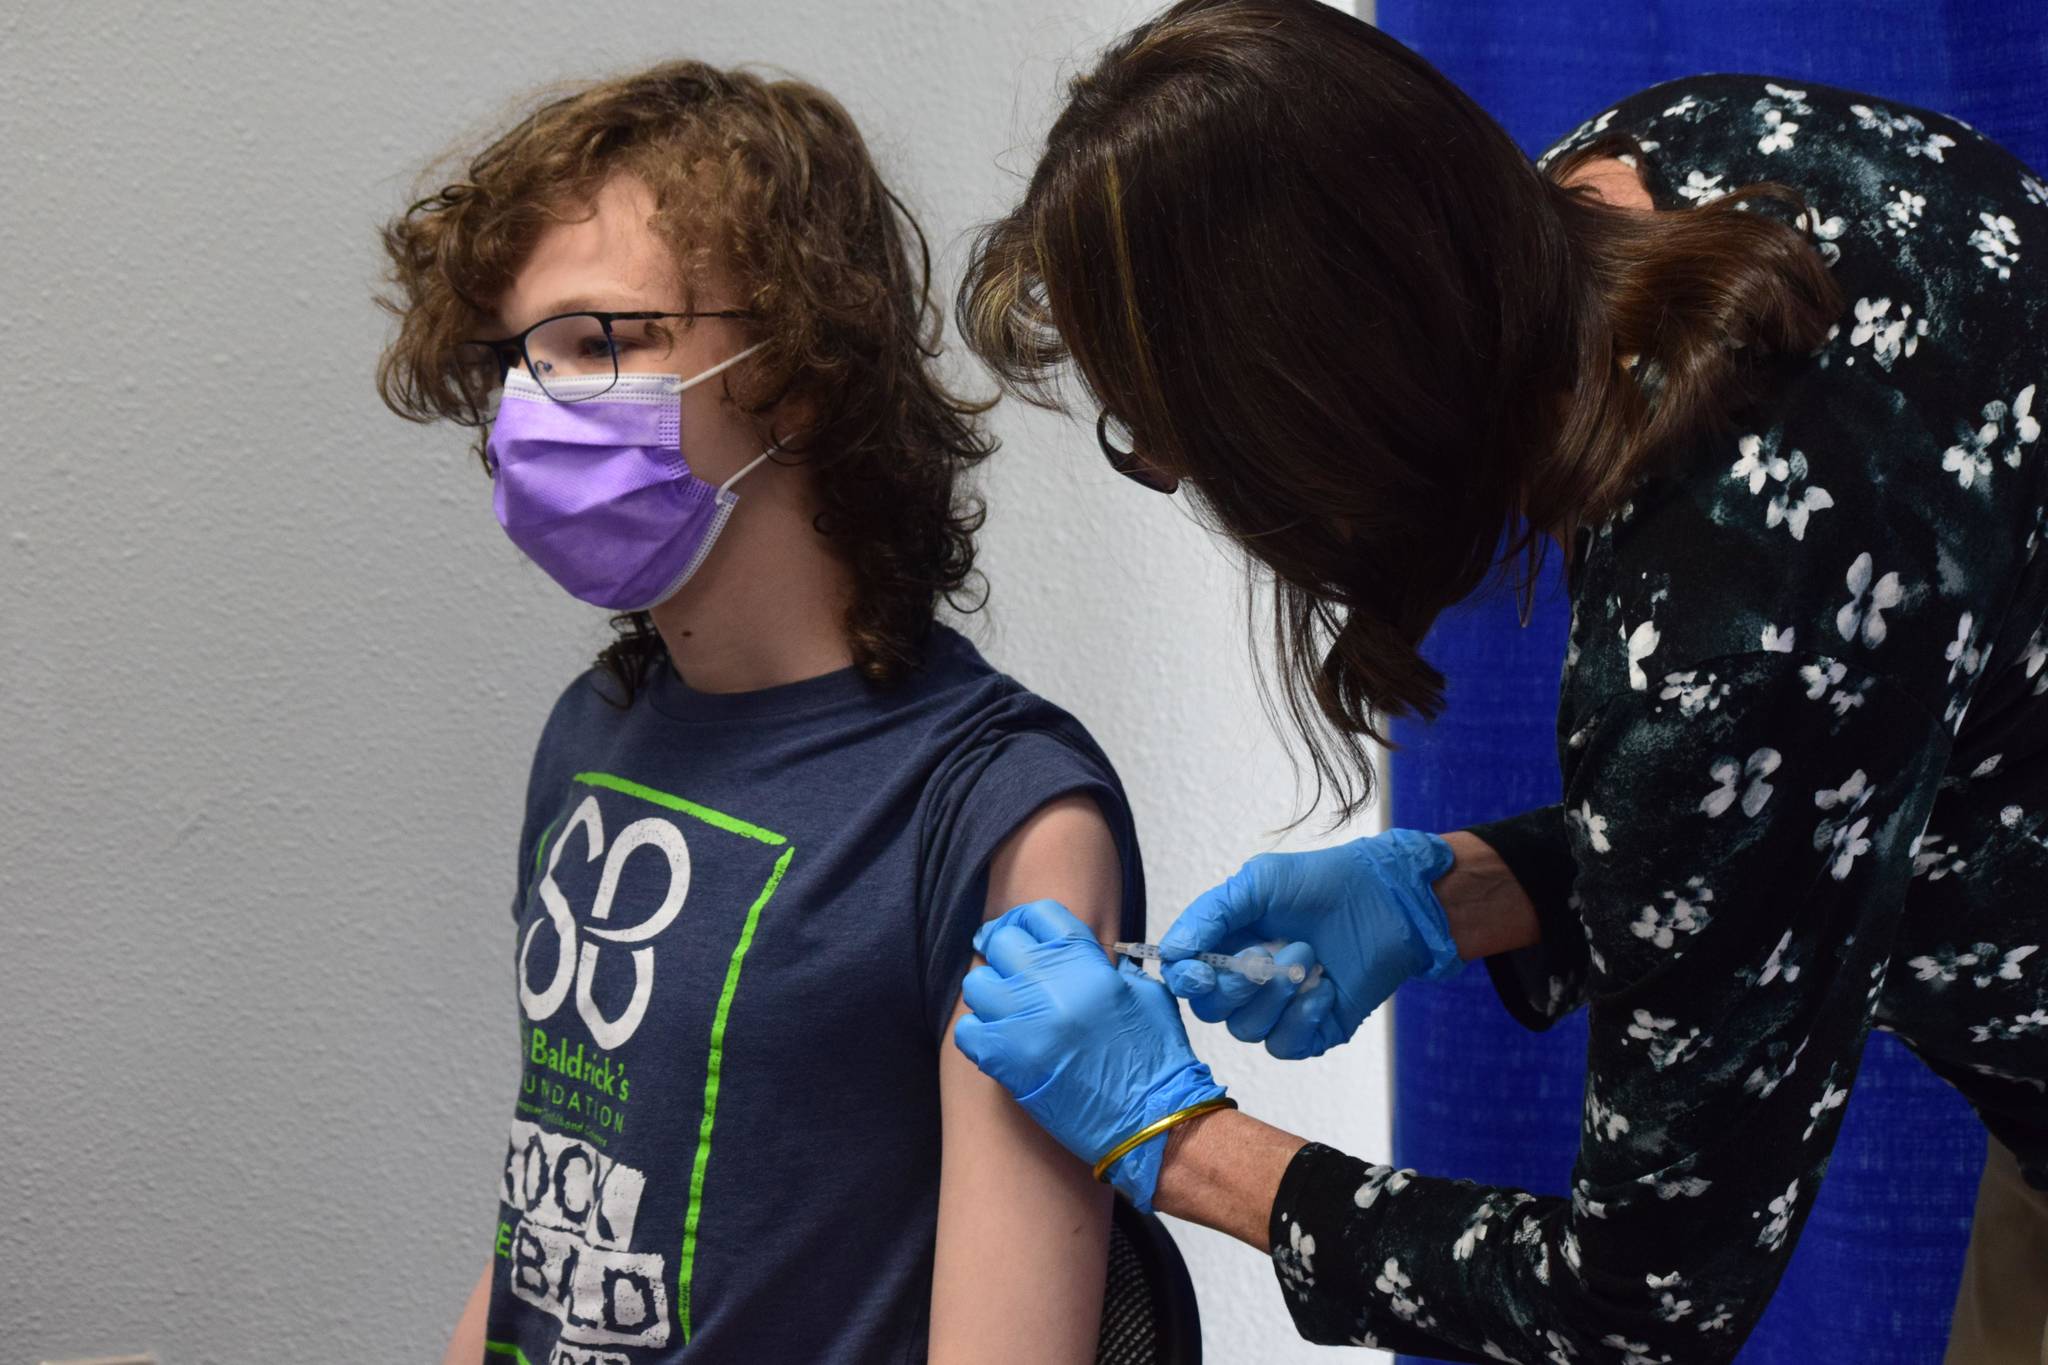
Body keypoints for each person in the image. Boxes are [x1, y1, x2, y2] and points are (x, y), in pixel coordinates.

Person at [948, 1, 2048, 1360]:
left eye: (1168, 444)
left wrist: (1177, 1141)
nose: (1189, 487)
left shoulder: (1720, 622)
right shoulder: (1659, 164)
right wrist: (1462, 891)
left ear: (1308, 417)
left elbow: (1638, 1307)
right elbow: (1846, 774)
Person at [376, 60, 1145, 1364]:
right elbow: (549, 1216)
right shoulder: (595, 730)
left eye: (594, 342)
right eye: (518, 359)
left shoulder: (1000, 811)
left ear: (793, 369)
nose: (529, 411)